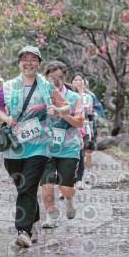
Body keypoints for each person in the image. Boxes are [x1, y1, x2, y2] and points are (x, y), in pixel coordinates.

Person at [0, 46, 69, 248]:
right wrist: (7, 119)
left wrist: (56, 110)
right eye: (25, 59)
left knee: (28, 186)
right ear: (19, 63)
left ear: (39, 63)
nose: (29, 63)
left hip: (39, 144)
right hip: (14, 146)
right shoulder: (8, 86)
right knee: (23, 187)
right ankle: (33, 221)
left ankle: (23, 231)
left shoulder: (47, 87)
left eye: (33, 59)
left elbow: (66, 107)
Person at [40, 61, 84, 228]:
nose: (56, 81)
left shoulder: (73, 98)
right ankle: (51, 217)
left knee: (65, 188)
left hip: (68, 147)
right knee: (46, 183)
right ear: (47, 78)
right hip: (45, 146)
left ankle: (69, 199)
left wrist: (63, 114)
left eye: (60, 77)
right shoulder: (40, 96)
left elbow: (79, 123)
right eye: (52, 78)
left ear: (65, 78)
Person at [70, 72, 105, 190]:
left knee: (81, 154)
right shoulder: (67, 95)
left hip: (84, 129)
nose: (78, 82)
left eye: (80, 80)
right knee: (70, 155)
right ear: (71, 82)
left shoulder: (88, 97)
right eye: (75, 80)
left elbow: (90, 115)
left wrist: (91, 130)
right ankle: (68, 181)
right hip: (70, 129)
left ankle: (79, 180)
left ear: (84, 82)